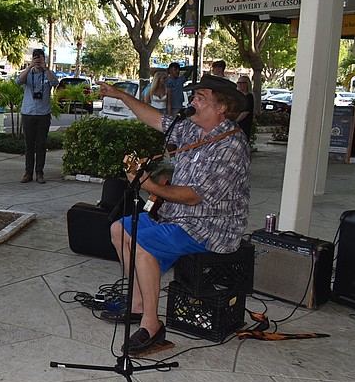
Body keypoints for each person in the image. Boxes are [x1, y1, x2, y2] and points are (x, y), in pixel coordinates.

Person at [95, 74, 250, 355]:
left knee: (143, 243)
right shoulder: (192, 129)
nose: (193, 102)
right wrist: (120, 95)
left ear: (222, 108)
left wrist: (148, 185)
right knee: (119, 229)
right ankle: (139, 304)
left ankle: (152, 325)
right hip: (177, 218)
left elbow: (194, 196)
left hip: (211, 227)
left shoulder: (232, 145)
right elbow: (156, 119)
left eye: (201, 98)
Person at [16, 48, 58, 184]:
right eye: (36, 59)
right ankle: (28, 173)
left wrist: (46, 69)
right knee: (29, 145)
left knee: (41, 144)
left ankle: (40, 172)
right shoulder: (28, 73)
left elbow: (55, 83)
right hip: (28, 113)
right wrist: (30, 66)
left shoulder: (48, 74)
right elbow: (18, 81)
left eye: (40, 59)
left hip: (43, 114)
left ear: (44, 59)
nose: (38, 61)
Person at [235, 75, 255, 139]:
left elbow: (245, 112)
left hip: (244, 124)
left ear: (247, 84)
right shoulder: (238, 96)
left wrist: (235, 121)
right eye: (238, 83)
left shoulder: (249, 97)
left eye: (242, 83)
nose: (240, 85)